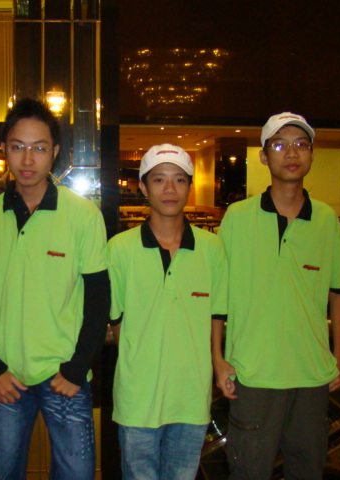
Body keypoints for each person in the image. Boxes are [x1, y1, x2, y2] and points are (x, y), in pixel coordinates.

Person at [0, 98, 110, 480]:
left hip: (65, 376)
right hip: (6, 378)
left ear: (55, 152)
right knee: (2, 474)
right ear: (4, 149)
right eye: (18, 147)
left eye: (39, 148)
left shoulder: (83, 216)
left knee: (77, 475)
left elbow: (98, 299)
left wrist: (77, 368)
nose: (28, 159)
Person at [213, 112, 340, 479]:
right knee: (248, 471)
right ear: (263, 156)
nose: (291, 153)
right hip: (252, 374)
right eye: (279, 145)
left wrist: (338, 357)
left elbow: (339, 292)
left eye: (301, 144)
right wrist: (218, 359)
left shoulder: (326, 220)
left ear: (312, 154)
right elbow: (218, 298)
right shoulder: (237, 218)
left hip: (312, 375)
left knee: (307, 470)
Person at [108, 144, 228, 480]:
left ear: (190, 186)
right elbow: (117, 322)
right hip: (137, 399)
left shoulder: (212, 248)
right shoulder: (119, 249)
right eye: (159, 180)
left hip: (191, 395)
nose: (170, 189)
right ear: (143, 187)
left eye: (179, 179)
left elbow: (216, 314)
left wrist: (218, 361)